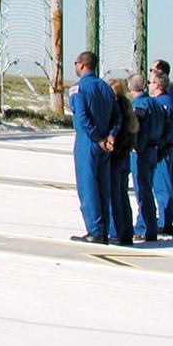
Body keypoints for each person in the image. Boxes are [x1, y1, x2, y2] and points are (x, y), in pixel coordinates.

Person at [68, 50, 120, 244]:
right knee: (103, 187)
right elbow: (117, 116)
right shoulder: (106, 87)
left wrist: (98, 138)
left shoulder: (78, 89)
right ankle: (105, 229)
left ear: (82, 65)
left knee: (88, 186)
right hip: (105, 143)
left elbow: (82, 117)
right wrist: (111, 135)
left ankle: (95, 231)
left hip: (88, 141)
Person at [128, 72, 163, 243]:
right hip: (154, 149)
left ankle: (145, 227)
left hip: (142, 152)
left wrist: (136, 148)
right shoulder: (154, 103)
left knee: (142, 191)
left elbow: (139, 130)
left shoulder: (140, 105)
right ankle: (148, 225)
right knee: (147, 188)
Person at [151, 59, 173, 229]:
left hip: (163, 145)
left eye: (152, 70)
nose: (149, 73)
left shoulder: (166, 96)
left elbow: (171, 120)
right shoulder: (170, 93)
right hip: (167, 142)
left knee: (163, 180)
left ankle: (165, 220)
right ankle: (169, 213)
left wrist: (160, 144)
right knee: (166, 178)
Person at [106, 78, 139, 246]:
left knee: (113, 197)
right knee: (123, 195)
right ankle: (126, 231)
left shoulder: (115, 108)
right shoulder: (128, 107)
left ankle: (115, 232)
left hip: (115, 157)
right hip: (125, 157)